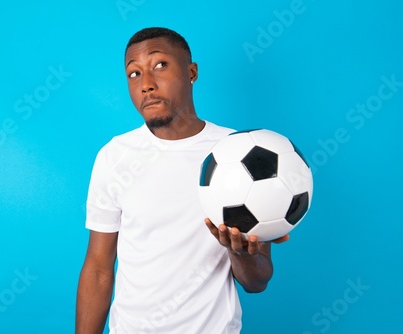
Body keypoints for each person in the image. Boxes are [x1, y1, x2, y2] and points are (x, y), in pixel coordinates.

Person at [76, 27, 289, 334]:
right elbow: (97, 269)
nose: (146, 84)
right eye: (134, 74)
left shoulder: (239, 153)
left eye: (159, 65)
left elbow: (257, 282)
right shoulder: (115, 156)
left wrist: (240, 252)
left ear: (191, 72)